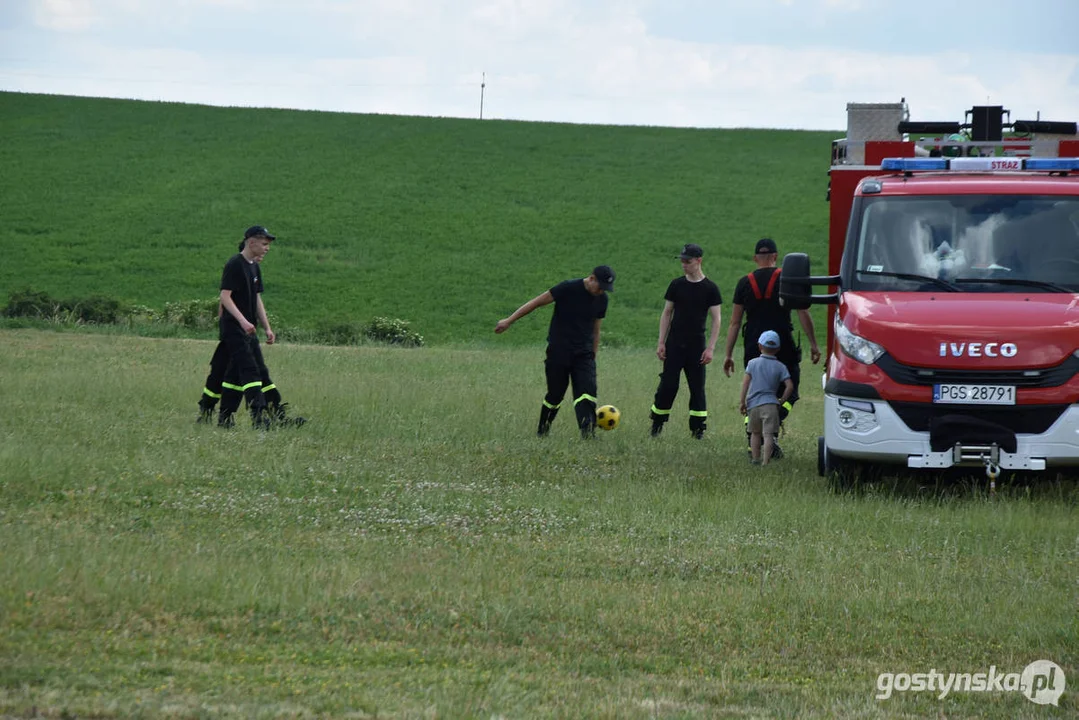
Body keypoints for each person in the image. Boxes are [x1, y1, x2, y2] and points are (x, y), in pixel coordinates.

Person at [722, 237, 821, 457]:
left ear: (755, 258)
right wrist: (814, 344)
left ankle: (753, 437)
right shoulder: (786, 279)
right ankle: (772, 427)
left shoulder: (744, 283)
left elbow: (735, 322)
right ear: (775, 256)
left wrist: (728, 354)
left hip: (753, 348)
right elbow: (802, 311)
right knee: (790, 391)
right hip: (782, 347)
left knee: (757, 394)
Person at [495, 265, 614, 438]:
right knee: (555, 395)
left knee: (587, 391)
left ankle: (587, 433)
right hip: (559, 350)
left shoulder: (602, 300)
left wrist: (593, 354)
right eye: (600, 286)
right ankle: (543, 430)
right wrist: (509, 320)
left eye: (605, 288)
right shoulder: (567, 288)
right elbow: (536, 302)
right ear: (591, 278)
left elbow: (596, 329)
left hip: (584, 354)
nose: (601, 291)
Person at [213, 225, 300, 429]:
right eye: (264, 243)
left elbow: (257, 299)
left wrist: (267, 327)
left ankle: (228, 418)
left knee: (248, 372)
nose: (267, 248)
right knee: (250, 371)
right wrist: (242, 321)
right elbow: (224, 297)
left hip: (249, 329)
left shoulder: (254, 266)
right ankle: (258, 417)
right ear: (251, 242)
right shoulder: (235, 264)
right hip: (235, 328)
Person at [649, 243, 722, 439]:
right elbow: (667, 313)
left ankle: (697, 429)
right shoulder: (676, 285)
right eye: (682, 261)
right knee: (668, 385)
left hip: (697, 346)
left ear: (699, 261)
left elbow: (717, 319)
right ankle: (656, 425)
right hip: (674, 344)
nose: (683, 265)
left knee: (697, 388)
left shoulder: (710, 289)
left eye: (687, 261)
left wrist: (711, 348)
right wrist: (661, 342)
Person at [739, 330, 793, 465]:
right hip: (770, 404)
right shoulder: (780, 367)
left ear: (759, 346)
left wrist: (742, 401)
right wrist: (782, 400)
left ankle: (755, 459)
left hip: (753, 405)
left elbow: (745, 384)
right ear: (778, 349)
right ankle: (766, 461)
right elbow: (790, 386)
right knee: (768, 434)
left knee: (755, 433)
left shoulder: (752, 363)